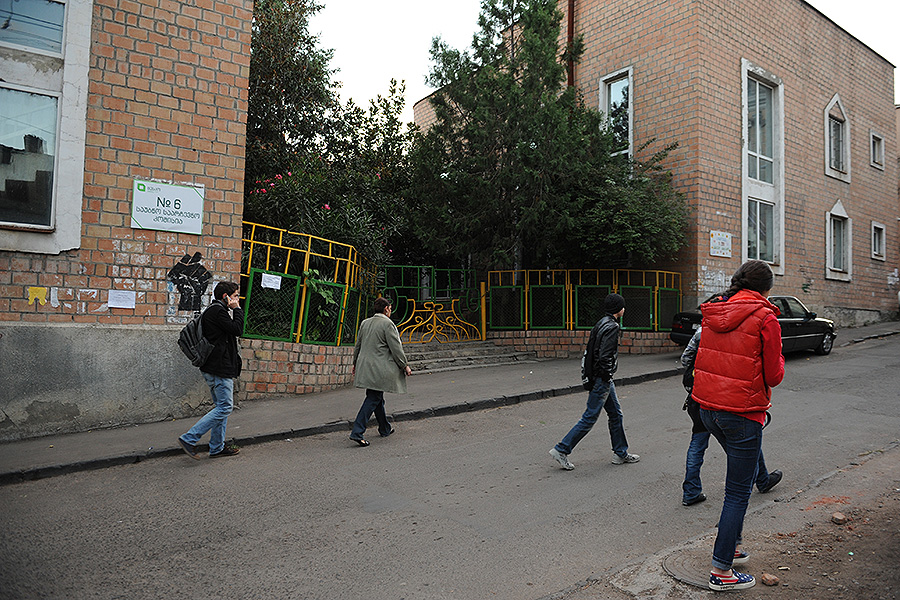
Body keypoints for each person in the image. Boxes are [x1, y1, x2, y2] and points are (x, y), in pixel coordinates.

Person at [692, 260, 785, 591]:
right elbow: (774, 375)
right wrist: (781, 358)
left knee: (738, 485)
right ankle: (721, 571)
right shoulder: (765, 317)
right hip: (742, 412)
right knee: (737, 493)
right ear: (766, 289)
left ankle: (731, 546)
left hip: (708, 410)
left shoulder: (715, 310)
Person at [680, 325, 783, 507]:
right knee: (743, 444)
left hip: (702, 395)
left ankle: (691, 490)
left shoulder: (704, 329)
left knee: (698, 443)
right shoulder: (744, 329)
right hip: (730, 398)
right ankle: (757, 481)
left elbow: (686, 358)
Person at [549, 293, 639, 470]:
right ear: (618, 309)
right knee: (589, 417)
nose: (624, 309)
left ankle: (620, 453)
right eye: (622, 306)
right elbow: (604, 355)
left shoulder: (601, 323)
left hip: (600, 378)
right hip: (602, 379)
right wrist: (606, 375)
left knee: (616, 414)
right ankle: (561, 449)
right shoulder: (612, 326)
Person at [178, 281, 244, 459]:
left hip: (216, 367)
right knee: (225, 407)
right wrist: (237, 309)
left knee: (221, 407)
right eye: (236, 295)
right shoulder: (217, 311)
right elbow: (237, 329)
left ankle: (216, 447)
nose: (238, 299)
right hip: (218, 369)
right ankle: (189, 438)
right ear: (226, 297)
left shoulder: (216, 311)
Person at [349, 297, 412, 446]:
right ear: (386, 309)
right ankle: (357, 432)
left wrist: (355, 363)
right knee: (373, 398)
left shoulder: (365, 323)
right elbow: (396, 348)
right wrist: (405, 365)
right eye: (390, 308)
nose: (390, 311)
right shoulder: (387, 324)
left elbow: (358, 345)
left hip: (365, 366)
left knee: (377, 398)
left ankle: (384, 428)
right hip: (379, 368)